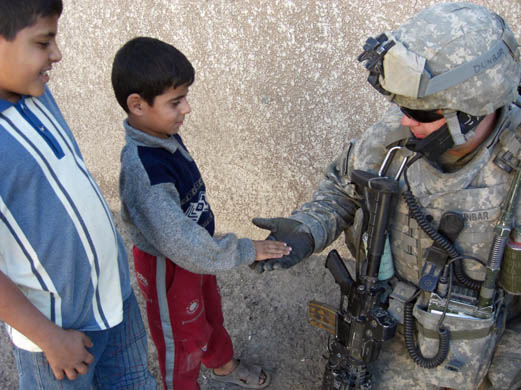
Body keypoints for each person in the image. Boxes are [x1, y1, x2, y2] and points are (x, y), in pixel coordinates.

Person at [253, 3, 521, 390]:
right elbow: (342, 189)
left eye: (422, 113)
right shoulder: (394, 139)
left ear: (472, 112)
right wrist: (305, 230)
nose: (406, 120)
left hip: (475, 363)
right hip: (383, 342)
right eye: (403, 107)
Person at [111, 36, 290, 390]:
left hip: (197, 251)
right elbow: (179, 242)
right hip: (169, 268)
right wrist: (244, 249)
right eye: (176, 101)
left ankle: (222, 365)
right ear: (137, 105)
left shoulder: (162, 132)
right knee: (181, 340)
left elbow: (192, 245)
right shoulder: (144, 171)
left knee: (209, 312)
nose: (187, 109)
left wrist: (212, 252)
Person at [0, 1, 156, 389]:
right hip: (57, 338)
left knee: (135, 381)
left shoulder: (33, 92)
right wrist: (50, 338)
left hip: (113, 298)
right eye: (43, 42)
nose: (57, 54)